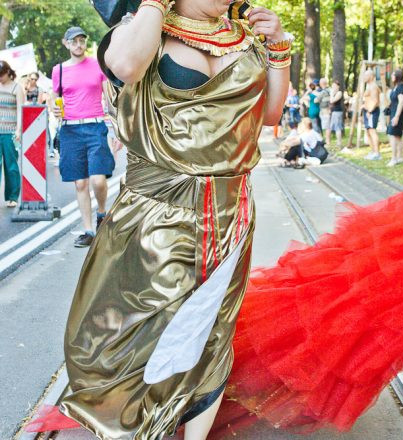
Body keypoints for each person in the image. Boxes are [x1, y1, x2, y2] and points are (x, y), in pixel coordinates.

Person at [27, 1, 290, 439]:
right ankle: (137, 423)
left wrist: (278, 45)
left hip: (229, 210)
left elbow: (270, 114)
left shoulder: (243, 37)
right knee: (137, 338)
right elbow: (127, 65)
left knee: (209, 332)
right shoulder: (139, 32)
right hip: (155, 215)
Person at [51, 26, 115, 248]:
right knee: (80, 183)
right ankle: (88, 230)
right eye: (74, 41)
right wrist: (55, 110)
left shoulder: (97, 65)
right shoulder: (58, 70)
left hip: (95, 126)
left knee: (98, 180)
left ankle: (102, 211)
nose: (79, 44)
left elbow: (109, 98)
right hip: (70, 130)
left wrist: (116, 129)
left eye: (82, 40)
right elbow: (55, 99)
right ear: (66, 43)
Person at [0, 60, 24, 208]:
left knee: (11, 166)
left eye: (1, 74)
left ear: (8, 72)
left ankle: (12, 196)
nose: (0, 78)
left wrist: (18, 129)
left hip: (10, 133)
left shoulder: (17, 87)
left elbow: (21, 110)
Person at [386, 70, 403, 167]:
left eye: (393, 74)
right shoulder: (395, 87)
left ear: (398, 76)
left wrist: (397, 116)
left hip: (398, 114)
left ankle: (394, 158)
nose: (391, 76)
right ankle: (400, 157)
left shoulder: (401, 86)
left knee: (393, 135)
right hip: (394, 112)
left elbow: (401, 101)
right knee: (397, 136)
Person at [362, 69, 381, 160]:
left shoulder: (373, 86)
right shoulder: (368, 86)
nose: (364, 77)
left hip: (372, 111)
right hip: (367, 110)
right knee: (368, 131)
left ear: (370, 76)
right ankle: (373, 151)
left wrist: (370, 111)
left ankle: (377, 153)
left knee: (372, 131)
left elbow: (375, 100)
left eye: (366, 75)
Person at [315, 78, 331, 145]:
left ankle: (327, 141)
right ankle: (327, 141)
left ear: (321, 84)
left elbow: (316, 100)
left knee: (326, 127)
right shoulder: (330, 90)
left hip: (325, 111)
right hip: (329, 110)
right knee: (327, 126)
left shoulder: (323, 92)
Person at [330, 79, 344, 149]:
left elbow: (332, 100)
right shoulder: (334, 93)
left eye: (334, 86)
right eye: (332, 86)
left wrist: (331, 94)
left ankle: (339, 143)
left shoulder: (339, 93)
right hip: (334, 112)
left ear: (338, 86)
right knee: (335, 127)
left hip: (338, 112)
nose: (333, 87)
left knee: (338, 127)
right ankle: (338, 142)